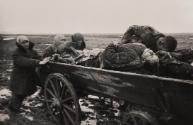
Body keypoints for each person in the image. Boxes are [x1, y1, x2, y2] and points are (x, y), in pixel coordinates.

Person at [8, 35, 49, 113]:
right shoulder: (16, 53)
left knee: (23, 93)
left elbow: (38, 57)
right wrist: (37, 62)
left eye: (27, 41)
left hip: (29, 76)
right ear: (19, 43)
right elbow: (23, 61)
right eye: (24, 42)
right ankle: (13, 109)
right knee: (18, 94)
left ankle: (13, 106)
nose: (26, 43)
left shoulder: (31, 51)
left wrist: (44, 59)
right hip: (19, 78)